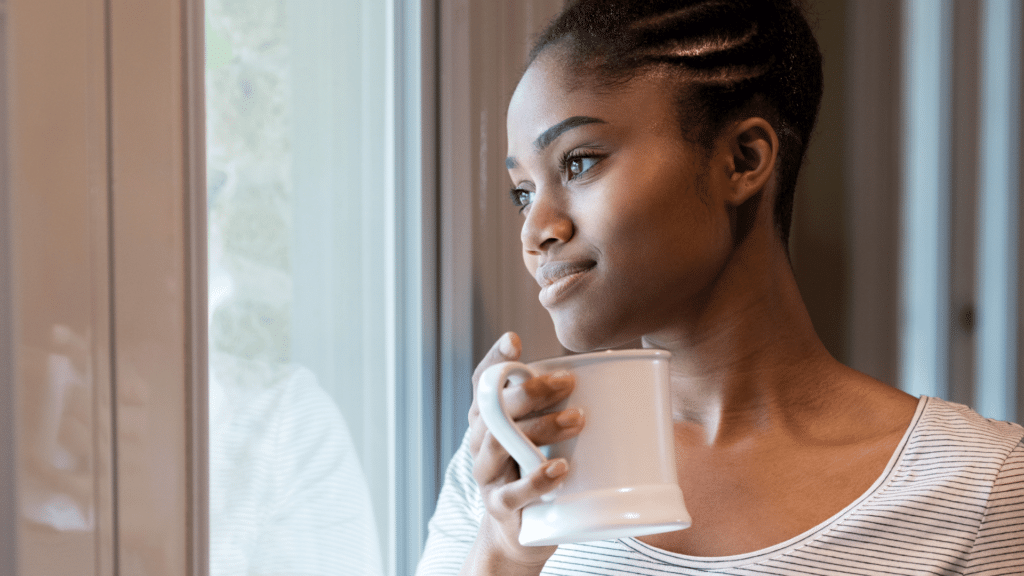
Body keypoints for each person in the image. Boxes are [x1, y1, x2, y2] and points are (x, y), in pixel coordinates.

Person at [416, 1, 1024, 575]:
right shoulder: (510, 474)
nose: (536, 230)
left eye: (579, 163)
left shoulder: (985, 486)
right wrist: (503, 552)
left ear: (743, 158)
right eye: (523, 192)